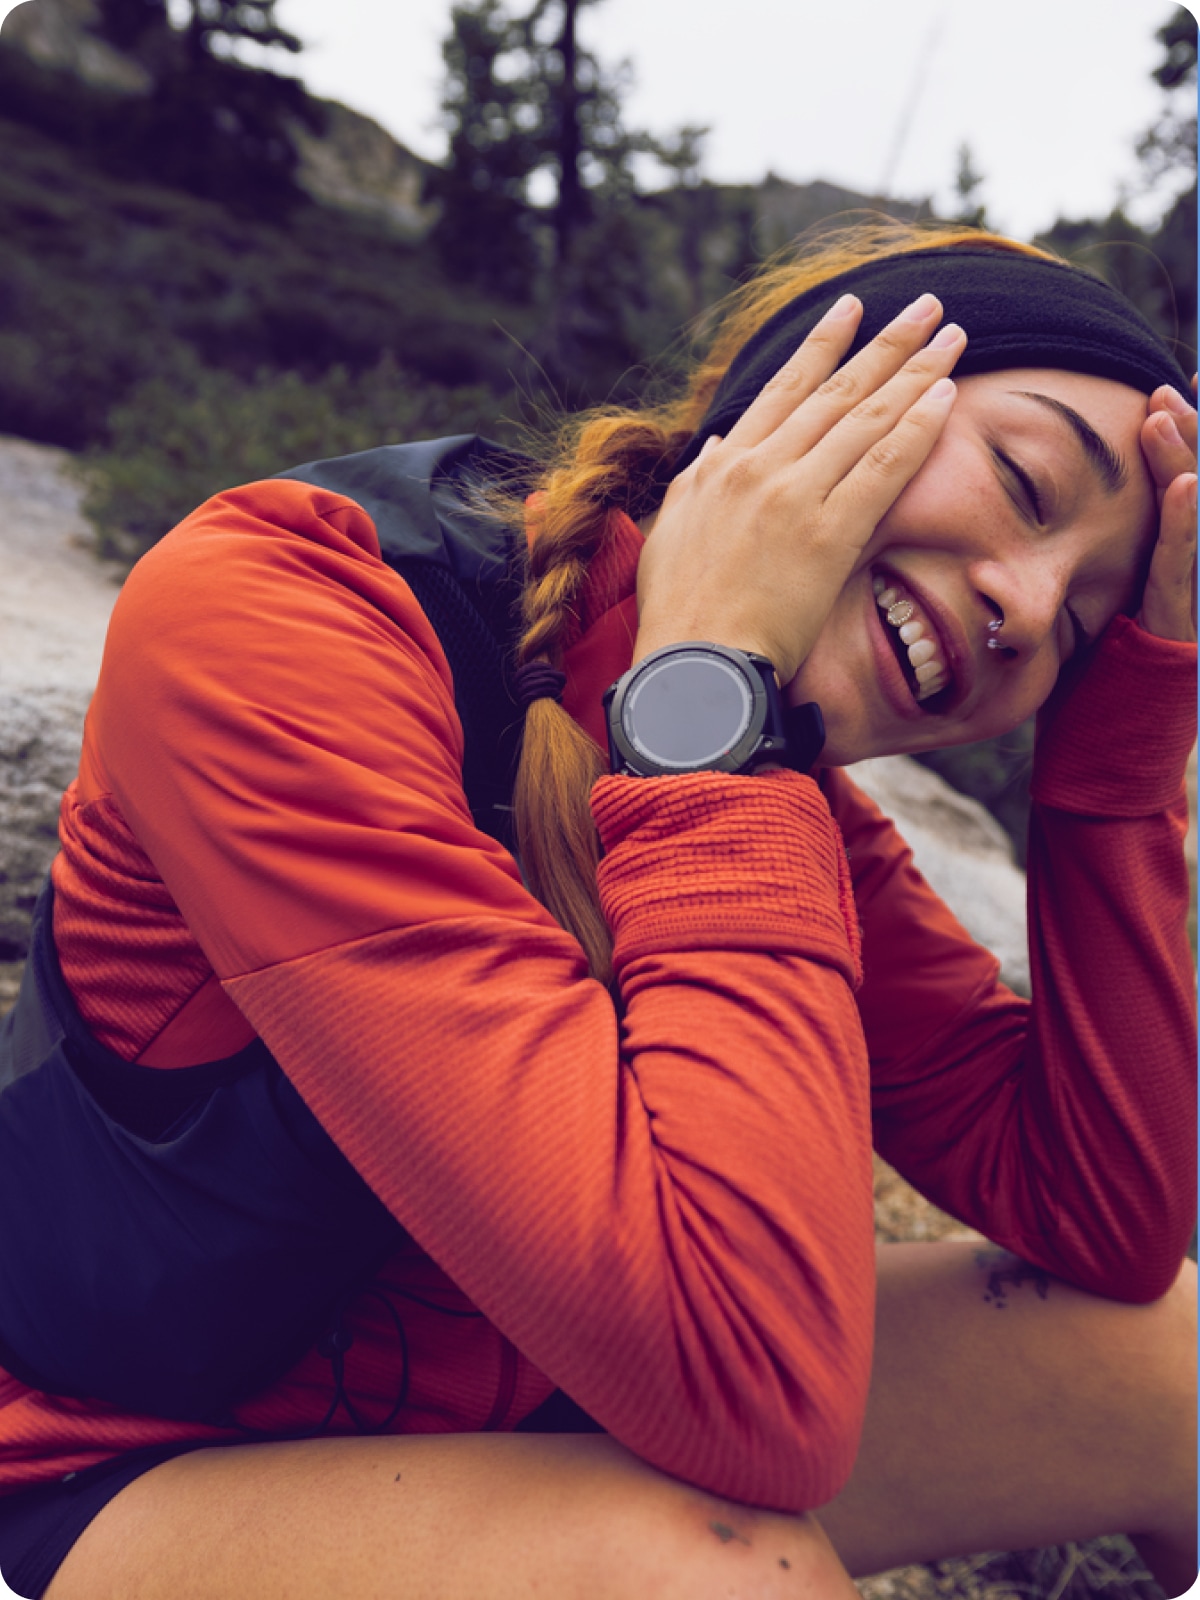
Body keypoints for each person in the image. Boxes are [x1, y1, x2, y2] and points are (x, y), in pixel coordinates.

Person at [0, 222, 1195, 1600]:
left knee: (1171, 1361)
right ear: (817, 381)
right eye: (1027, 478)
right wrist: (713, 725)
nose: (1030, 610)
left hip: (522, 1407)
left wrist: (1119, 758)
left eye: (1087, 632)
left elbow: (1105, 1211)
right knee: (706, 1574)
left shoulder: (787, 811)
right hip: (117, 1467)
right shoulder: (286, 614)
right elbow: (754, 1395)